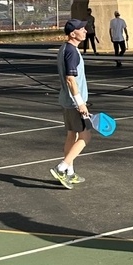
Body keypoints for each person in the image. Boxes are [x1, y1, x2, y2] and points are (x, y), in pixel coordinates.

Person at [51, 19, 92, 189]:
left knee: (71, 135)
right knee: (86, 136)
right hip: (74, 103)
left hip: (66, 101)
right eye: (81, 29)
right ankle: (62, 167)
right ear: (72, 33)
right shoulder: (72, 52)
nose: (84, 31)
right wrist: (81, 103)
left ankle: (70, 173)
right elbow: (70, 79)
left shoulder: (65, 49)